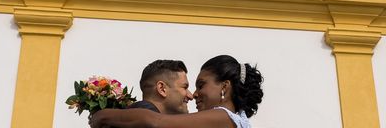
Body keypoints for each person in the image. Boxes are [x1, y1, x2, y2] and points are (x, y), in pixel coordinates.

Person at [91, 55, 264, 128]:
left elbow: (156, 122)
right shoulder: (236, 119)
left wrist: (102, 115)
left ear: (224, 87)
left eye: (201, 85)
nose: (194, 94)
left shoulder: (224, 117)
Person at [127, 59, 193, 114]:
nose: (191, 96)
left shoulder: (133, 116)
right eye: (185, 87)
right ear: (162, 89)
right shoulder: (144, 121)